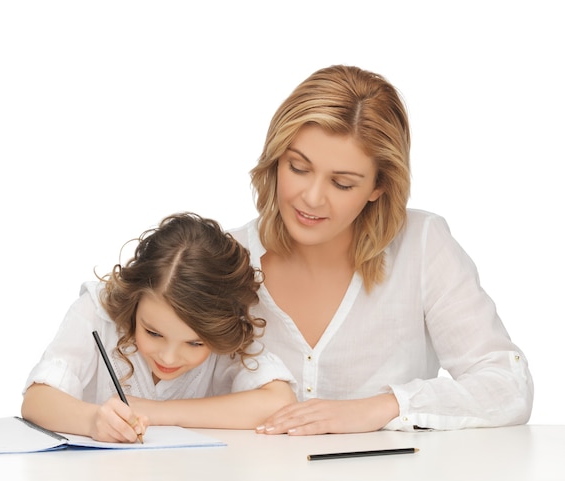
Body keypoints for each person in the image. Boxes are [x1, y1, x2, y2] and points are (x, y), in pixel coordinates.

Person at [228, 65, 533, 435]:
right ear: (276, 160)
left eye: (342, 183)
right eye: (298, 168)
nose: (311, 198)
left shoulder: (422, 246)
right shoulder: (225, 256)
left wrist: (383, 408)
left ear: (379, 186)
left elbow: (508, 384)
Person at [21, 213, 296, 443]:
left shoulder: (222, 330)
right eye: (153, 333)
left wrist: (160, 412)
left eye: (195, 343)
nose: (168, 358)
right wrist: (92, 421)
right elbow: (37, 401)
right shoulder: (95, 311)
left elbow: (280, 403)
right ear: (135, 298)